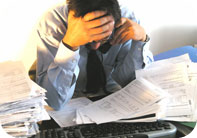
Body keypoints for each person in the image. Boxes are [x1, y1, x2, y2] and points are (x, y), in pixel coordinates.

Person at [36, 0, 153, 110]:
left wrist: (141, 41)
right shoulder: (53, 23)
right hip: (70, 102)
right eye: (90, 40)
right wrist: (69, 45)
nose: (96, 47)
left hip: (114, 99)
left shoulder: (126, 19)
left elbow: (131, 85)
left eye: (104, 39)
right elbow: (54, 102)